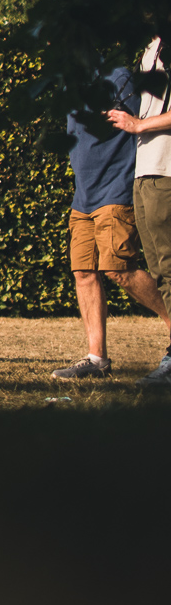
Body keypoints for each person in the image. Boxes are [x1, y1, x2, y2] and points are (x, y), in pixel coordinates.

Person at [52, 65, 171, 378]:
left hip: (115, 190)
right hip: (84, 195)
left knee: (120, 269)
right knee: (83, 272)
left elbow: (139, 125)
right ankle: (96, 359)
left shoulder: (120, 78)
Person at [106, 37, 171, 386]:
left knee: (169, 268)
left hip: (167, 171)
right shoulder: (152, 45)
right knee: (161, 270)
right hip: (147, 170)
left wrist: (139, 125)